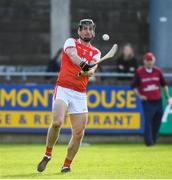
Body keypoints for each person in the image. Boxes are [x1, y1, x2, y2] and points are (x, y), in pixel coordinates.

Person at [37, 19, 101, 173]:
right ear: (79, 31)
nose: (87, 31)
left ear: (93, 32)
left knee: (79, 133)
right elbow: (72, 56)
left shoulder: (96, 52)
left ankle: (66, 165)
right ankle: (48, 154)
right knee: (57, 122)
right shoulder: (70, 42)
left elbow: (92, 71)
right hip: (63, 88)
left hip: (79, 93)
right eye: (84, 29)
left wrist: (87, 71)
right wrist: (82, 64)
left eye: (90, 29)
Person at [131, 52, 170, 146]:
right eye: (148, 61)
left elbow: (164, 85)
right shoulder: (140, 72)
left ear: (154, 61)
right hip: (147, 101)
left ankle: (153, 139)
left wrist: (167, 98)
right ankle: (149, 142)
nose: (149, 62)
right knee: (148, 121)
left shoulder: (157, 71)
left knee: (157, 121)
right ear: (144, 61)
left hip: (158, 100)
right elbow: (133, 86)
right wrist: (140, 95)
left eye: (151, 61)